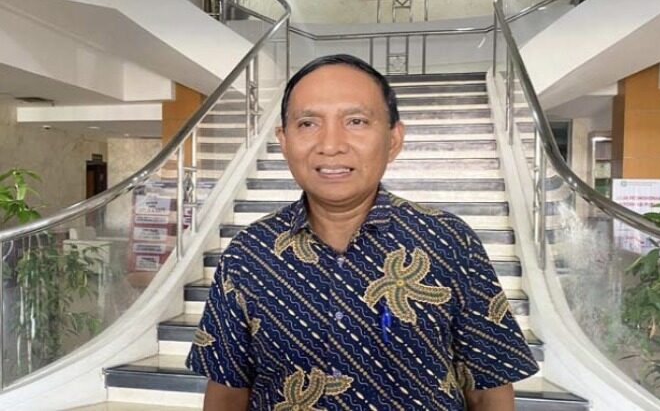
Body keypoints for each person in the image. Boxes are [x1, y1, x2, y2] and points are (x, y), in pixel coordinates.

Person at [186, 54, 539, 410]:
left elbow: (488, 390)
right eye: (308, 123)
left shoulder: (449, 241)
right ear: (284, 140)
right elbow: (227, 392)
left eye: (356, 121)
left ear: (393, 139)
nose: (331, 145)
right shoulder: (248, 253)